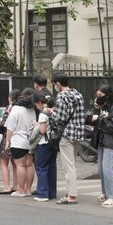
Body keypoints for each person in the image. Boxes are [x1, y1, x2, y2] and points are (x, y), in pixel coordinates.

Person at [49, 73, 85, 205]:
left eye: (54, 84)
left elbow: (60, 118)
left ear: (58, 83)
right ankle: (70, 191)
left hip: (66, 134)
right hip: (78, 134)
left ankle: (72, 195)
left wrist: (51, 112)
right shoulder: (78, 94)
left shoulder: (61, 96)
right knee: (72, 163)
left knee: (68, 166)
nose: (55, 87)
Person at [90, 84, 113, 207]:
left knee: (108, 169)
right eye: (97, 95)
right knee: (101, 169)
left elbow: (112, 126)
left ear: (107, 95)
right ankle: (105, 193)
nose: (97, 97)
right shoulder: (103, 107)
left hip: (112, 141)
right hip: (102, 141)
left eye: (100, 95)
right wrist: (97, 110)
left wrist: (101, 118)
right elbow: (92, 119)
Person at [5, 88, 37, 198]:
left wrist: (7, 141)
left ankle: (21, 190)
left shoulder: (16, 109)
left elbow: (10, 127)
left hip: (18, 141)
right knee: (29, 165)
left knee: (20, 165)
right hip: (31, 140)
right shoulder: (32, 109)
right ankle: (28, 189)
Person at [32, 92, 56, 202]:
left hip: (43, 143)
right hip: (53, 143)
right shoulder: (52, 111)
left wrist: (35, 126)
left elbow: (42, 130)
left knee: (41, 168)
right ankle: (52, 193)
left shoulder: (43, 114)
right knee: (52, 169)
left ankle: (42, 194)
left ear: (39, 103)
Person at [0, 89, 20, 195]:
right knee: (15, 163)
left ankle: (6, 187)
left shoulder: (10, 108)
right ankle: (16, 186)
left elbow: (4, 122)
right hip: (18, 138)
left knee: (3, 163)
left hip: (8, 137)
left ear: (10, 97)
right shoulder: (22, 107)